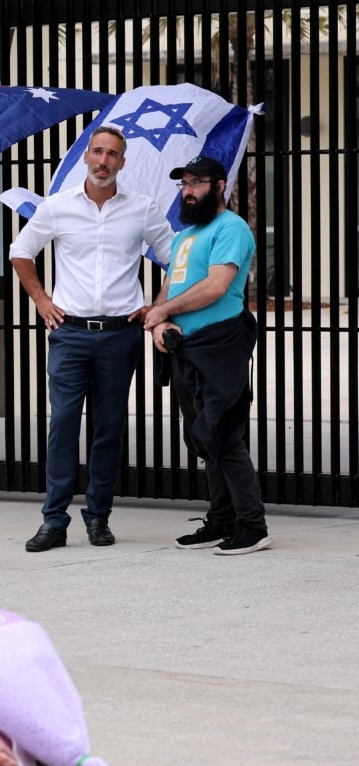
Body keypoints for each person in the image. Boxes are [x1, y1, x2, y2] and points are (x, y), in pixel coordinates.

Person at [9, 125, 176, 552]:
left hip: (120, 335)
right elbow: (21, 251)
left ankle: (98, 516)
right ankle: (54, 521)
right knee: (63, 423)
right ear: (86, 156)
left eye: (112, 154)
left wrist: (158, 307)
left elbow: (177, 259)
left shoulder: (142, 208)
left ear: (123, 162)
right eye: (98, 152)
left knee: (109, 428)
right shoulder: (57, 207)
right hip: (70, 334)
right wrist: (41, 299)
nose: (103, 161)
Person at [143, 156, 270, 555]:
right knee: (203, 436)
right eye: (184, 184)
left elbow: (216, 286)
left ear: (218, 186)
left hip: (221, 344)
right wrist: (159, 320)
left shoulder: (231, 228)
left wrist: (162, 312)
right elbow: (170, 287)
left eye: (196, 182)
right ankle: (221, 520)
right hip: (186, 348)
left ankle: (253, 526)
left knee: (224, 434)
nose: (188, 190)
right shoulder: (184, 236)